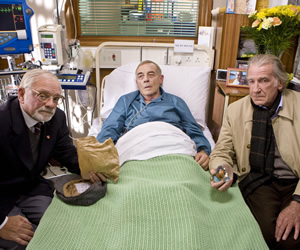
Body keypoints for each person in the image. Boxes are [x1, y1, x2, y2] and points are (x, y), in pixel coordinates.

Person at [0, 69, 104, 249]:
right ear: (22, 94)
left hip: (30, 187)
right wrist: (1, 224)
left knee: (60, 227)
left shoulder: (56, 118)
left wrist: (91, 169)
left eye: (56, 98)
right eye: (43, 96)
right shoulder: (2, 121)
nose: (51, 104)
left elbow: (66, 153)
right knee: (27, 240)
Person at [209, 54, 300, 249]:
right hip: (258, 179)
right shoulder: (235, 110)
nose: (256, 89)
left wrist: (297, 203)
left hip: (295, 181)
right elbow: (222, 151)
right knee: (263, 233)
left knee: (291, 238)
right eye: (251, 81)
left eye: (264, 81)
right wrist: (222, 169)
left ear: (280, 83)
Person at [97, 60, 211, 168]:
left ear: (161, 79)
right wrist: (99, 156)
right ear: (137, 82)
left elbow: (193, 128)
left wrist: (203, 151)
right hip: (135, 148)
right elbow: (110, 128)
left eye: (151, 75)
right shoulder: (125, 101)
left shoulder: (176, 101)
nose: (146, 79)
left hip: (173, 146)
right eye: (140, 76)